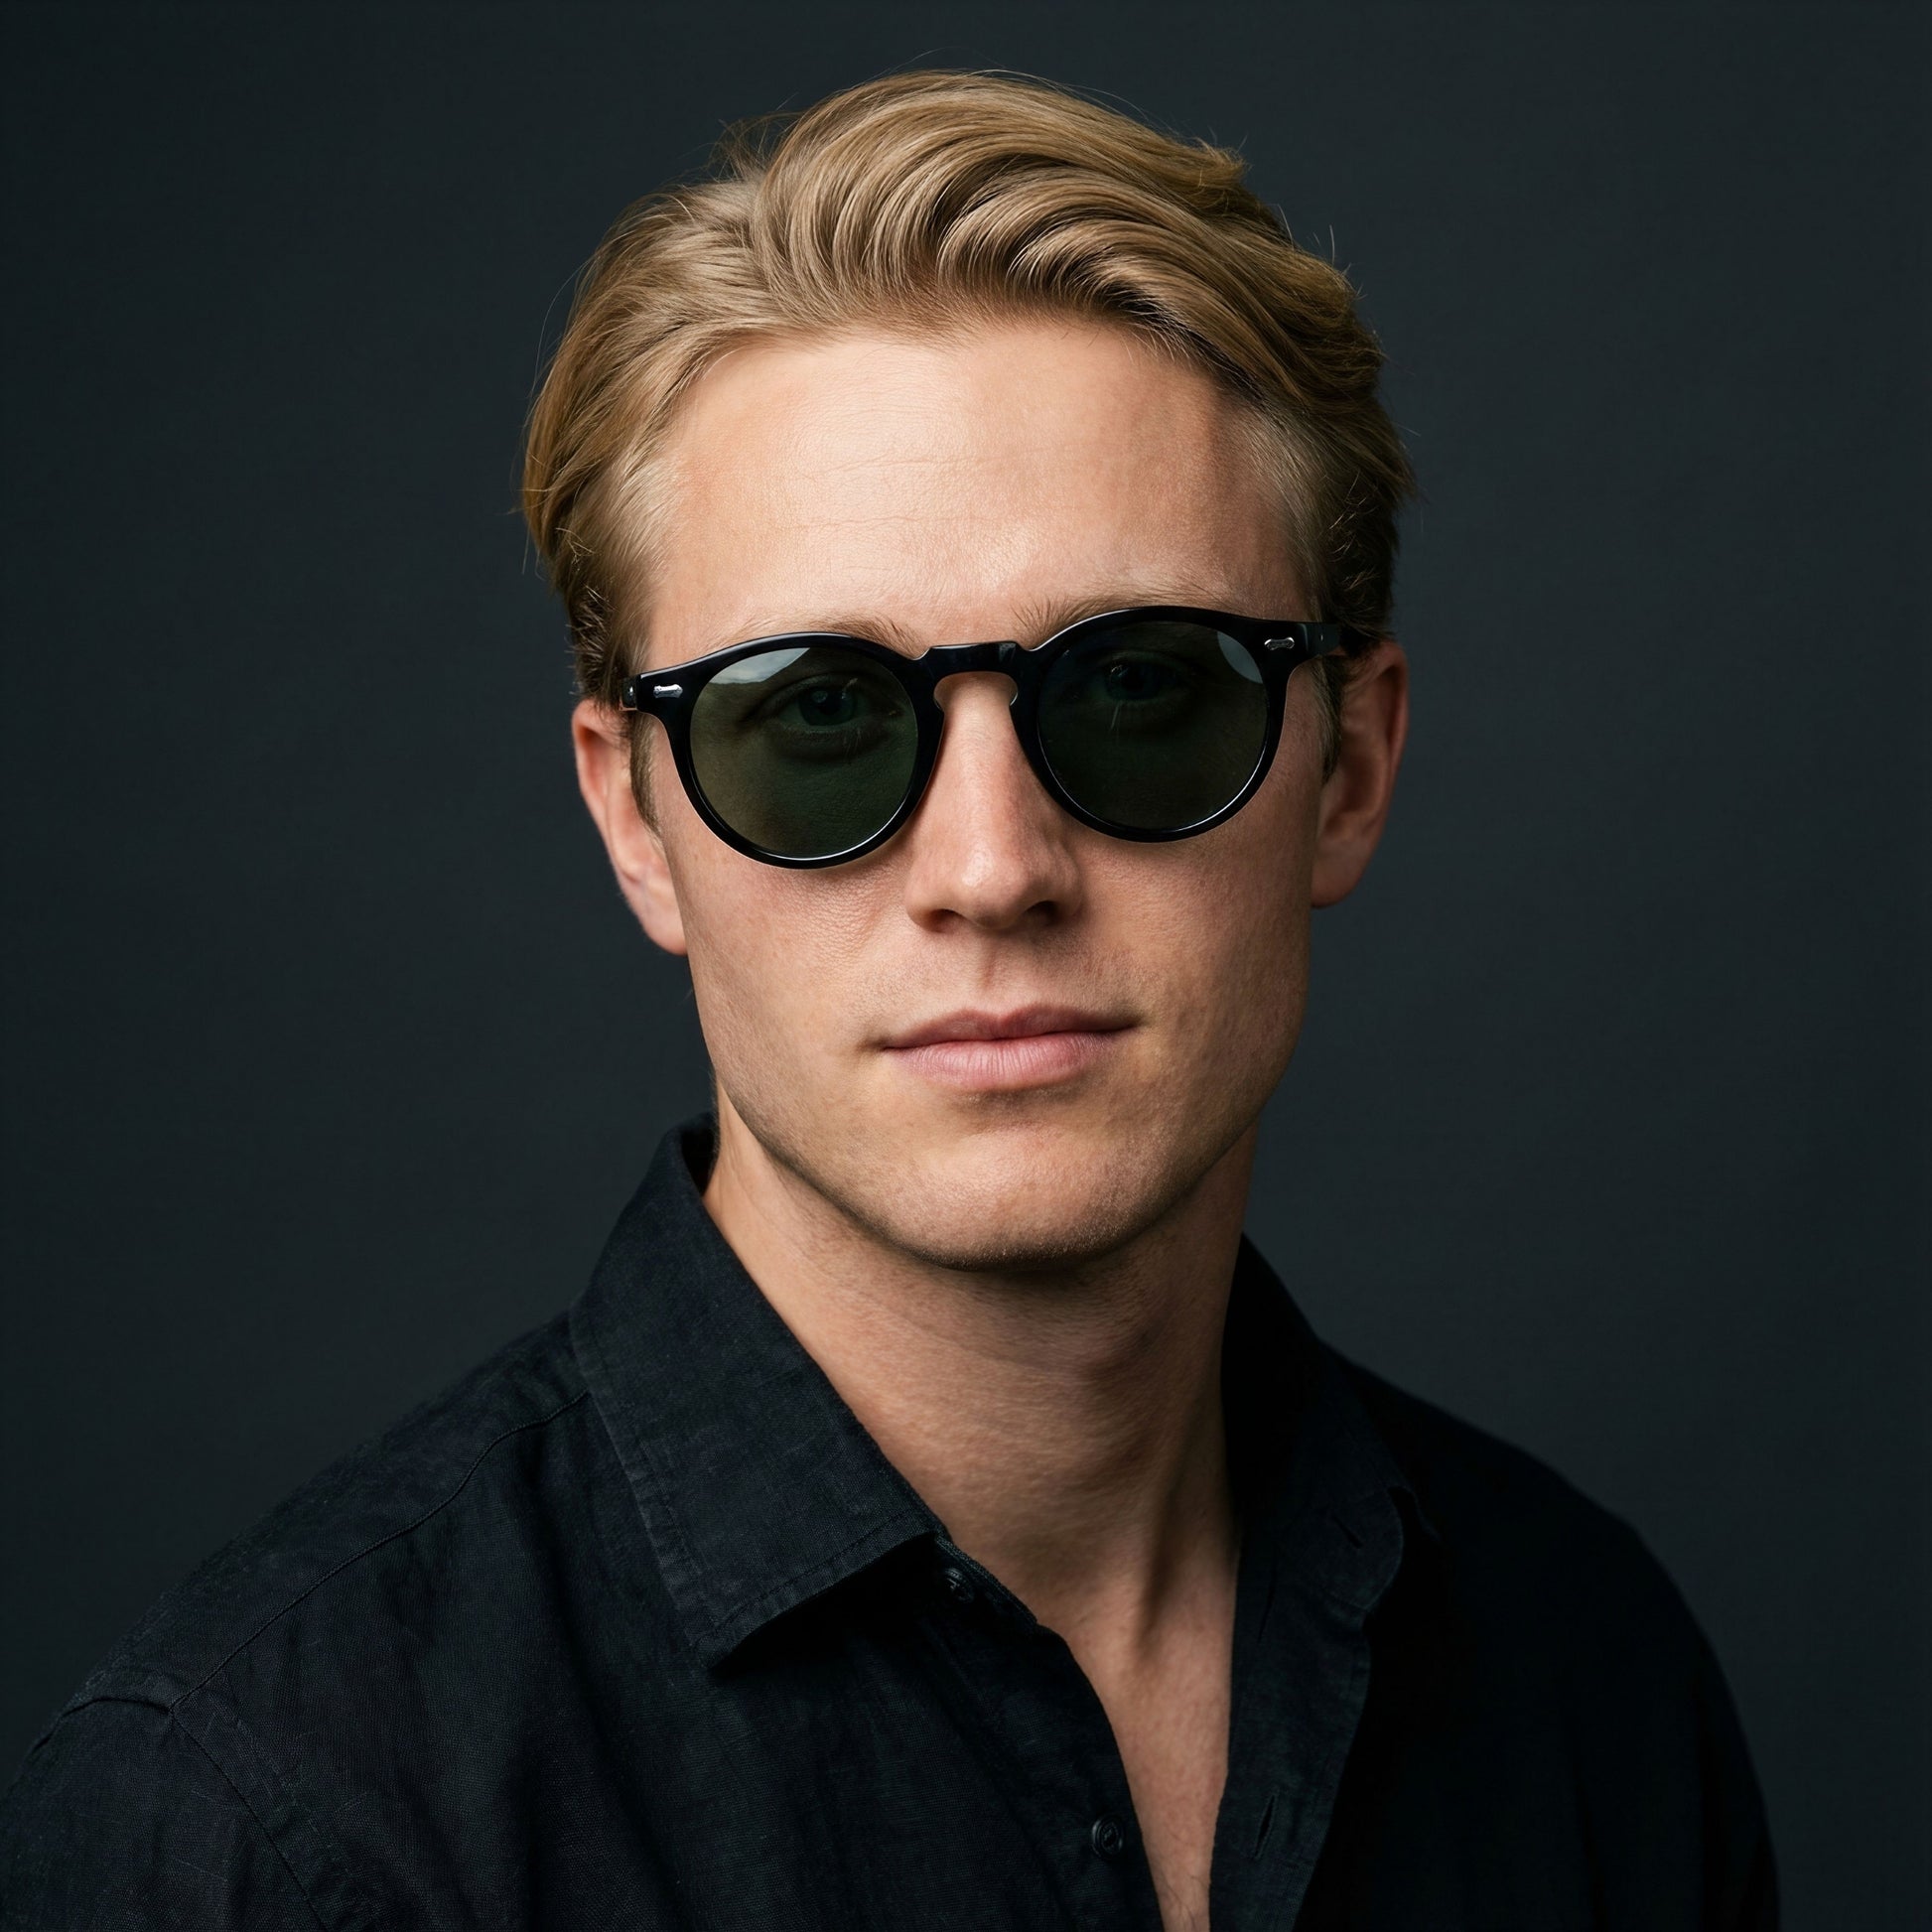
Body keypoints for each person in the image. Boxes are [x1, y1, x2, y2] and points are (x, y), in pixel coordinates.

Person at [0, 69, 1775, 1932]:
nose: (989, 866)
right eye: (818, 718)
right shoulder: (257, 1825)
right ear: (636, 818)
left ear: (1347, 767)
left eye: (1144, 688)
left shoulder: (1589, 1676)